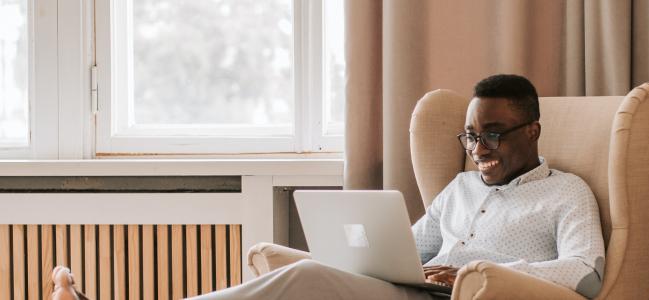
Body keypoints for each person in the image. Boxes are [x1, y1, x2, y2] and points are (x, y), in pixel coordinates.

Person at [52, 74, 605, 300]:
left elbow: (587, 273)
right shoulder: (458, 189)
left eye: (493, 134)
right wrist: (373, 257)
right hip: (416, 292)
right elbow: (407, 250)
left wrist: (479, 273)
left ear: (532, 131)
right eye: (470, 136)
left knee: (306, 277)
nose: (479, 148)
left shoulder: (566, 192)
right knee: (309, 275)